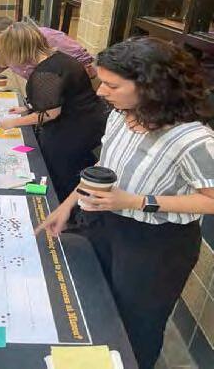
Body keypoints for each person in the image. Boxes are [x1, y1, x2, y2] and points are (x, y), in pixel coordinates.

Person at [37, 37, 214, 369]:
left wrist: (135, 201)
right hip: (105, 225)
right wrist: (67, 204)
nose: (101, 92)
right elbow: (103, 168)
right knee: (94, 305)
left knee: (136, 325)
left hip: (155, 245)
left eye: (112, 85)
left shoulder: (193, 138)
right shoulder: (120, 116)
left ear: (151, 87)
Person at [0, 22, 108, 201]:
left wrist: (13, 123)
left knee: (61, 174)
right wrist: (29, 107)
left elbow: (50, 114)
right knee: (78, 165)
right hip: (89, 120)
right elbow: (61, 95)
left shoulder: (45, 73)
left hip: (73, 129)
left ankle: (67, 209)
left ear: (18, 50)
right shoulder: (60, 57)